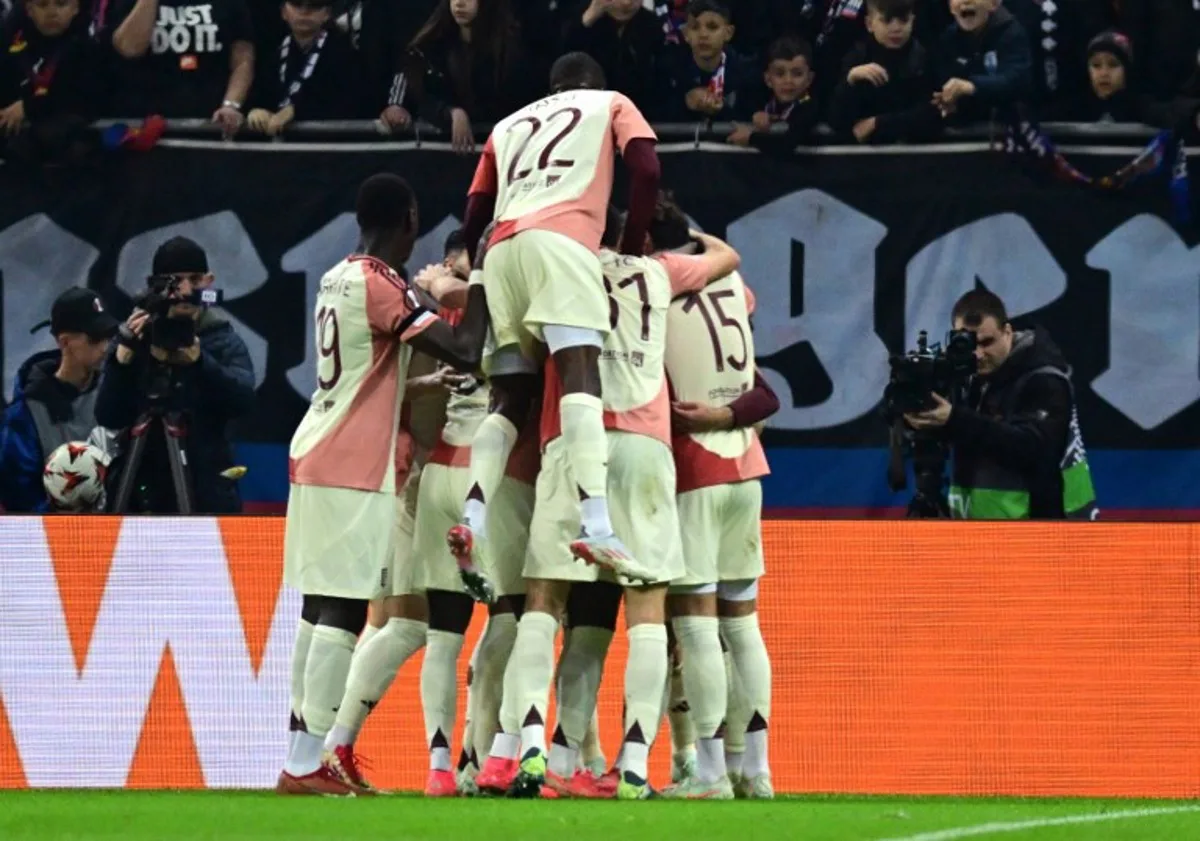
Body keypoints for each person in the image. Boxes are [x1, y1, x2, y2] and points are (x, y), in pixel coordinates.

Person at [473, 205, 741, 800]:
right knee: (647, 607)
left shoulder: (561, 269)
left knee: (544, 600)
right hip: (646, 445)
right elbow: (726, 259)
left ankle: (537, 753)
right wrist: (694, 232)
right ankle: (637, 766)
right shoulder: (658, 272)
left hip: (575, 440)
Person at [277, 172, 490, 796]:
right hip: (354, 463)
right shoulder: (380, 282)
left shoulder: (337, 276)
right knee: (343, 607)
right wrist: (477, 283)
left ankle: (300, 752)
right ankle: (305, 763)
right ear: (410, 219)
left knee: (318, 608)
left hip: (318, 448)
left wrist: (410, 386)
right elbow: (466, 347)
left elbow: (366, 367)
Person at [450, 50, 661, 588]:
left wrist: (478, 270)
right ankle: (597, 524)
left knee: (508, 398)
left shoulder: (507, 125)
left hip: (501, 249)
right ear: (594, 82)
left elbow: (474, 208)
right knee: (579, 378)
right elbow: (646, 166)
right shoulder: (610, 102)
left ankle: (471, 517)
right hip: (561, 242)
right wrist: (632, 243)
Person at [654, 195, 779, 800]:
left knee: (696, 625)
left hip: (695, 472)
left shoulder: (649, 285)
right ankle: (755, 769)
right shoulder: (736, 286)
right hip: (747, 466)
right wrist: (730, 411)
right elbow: (761, 387)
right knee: (744, 625)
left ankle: (706, 773)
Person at [904, 289, 1098, 520]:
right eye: (966, 343)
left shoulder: (1045, 380)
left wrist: (954, 419)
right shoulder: (965, 376)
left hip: (1042, 529)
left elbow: (1033, 448)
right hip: (980, 530)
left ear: (1007, 332)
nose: (978, 354)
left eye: (987, 342)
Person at [95, 238, 255, 514]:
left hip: (206, 490)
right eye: (174, 281)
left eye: (194, 280)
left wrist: (200, 362)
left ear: (208, 282)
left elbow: (244, 401)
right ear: (156, 285)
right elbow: (108, 415)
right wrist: (122, 362)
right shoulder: (137, 337)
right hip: (142, 490)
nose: (184, 290)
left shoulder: (221, 339)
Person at [0, 288, 117, 512]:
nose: (105, 347)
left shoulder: (115, 394)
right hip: (52, 540)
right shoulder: (25, 415)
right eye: (94, 338)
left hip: (120, 535)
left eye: (108, 335)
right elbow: (19, 497)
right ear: (65, 342)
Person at [828, 0, 943, 144]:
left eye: (903, 20)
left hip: (915, 156)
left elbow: (933, 115)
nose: (896, 28)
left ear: (913, 21)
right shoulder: (857, 57)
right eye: (886, 21)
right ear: (869, 24)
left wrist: (879, 123)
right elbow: (836, 120)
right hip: (863, 158)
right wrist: (849, 81)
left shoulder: (924, 57)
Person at [934, 0, 1032, 125]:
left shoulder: (1012, 33)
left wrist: (971, 86)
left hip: (1009, 129)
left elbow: (1015, 81)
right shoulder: (948, 39)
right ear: (950, 7)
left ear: (994, 4)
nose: (965, 2)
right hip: (965, 131)